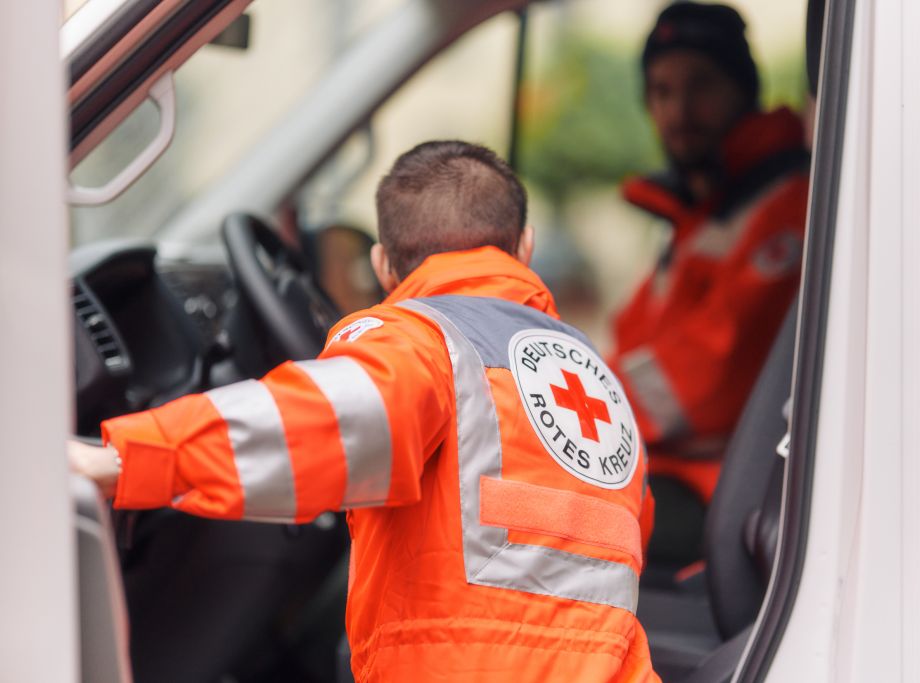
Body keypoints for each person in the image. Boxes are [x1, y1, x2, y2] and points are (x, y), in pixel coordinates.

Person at [70, 140, 660, 682]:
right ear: (524, 247)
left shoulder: (423, 341)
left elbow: (322, 421)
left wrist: (123, 458)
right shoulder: (595, 377)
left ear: (382, 265)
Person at [608, 2, 810, 570]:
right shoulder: (704, 215)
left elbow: (704, 381)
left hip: (723, 492)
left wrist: (572, 402)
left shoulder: (785, 207)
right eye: (662, 91)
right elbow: (632, 344)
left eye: (702, 85)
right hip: (662, 473)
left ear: (743, 91)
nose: (679, 110)